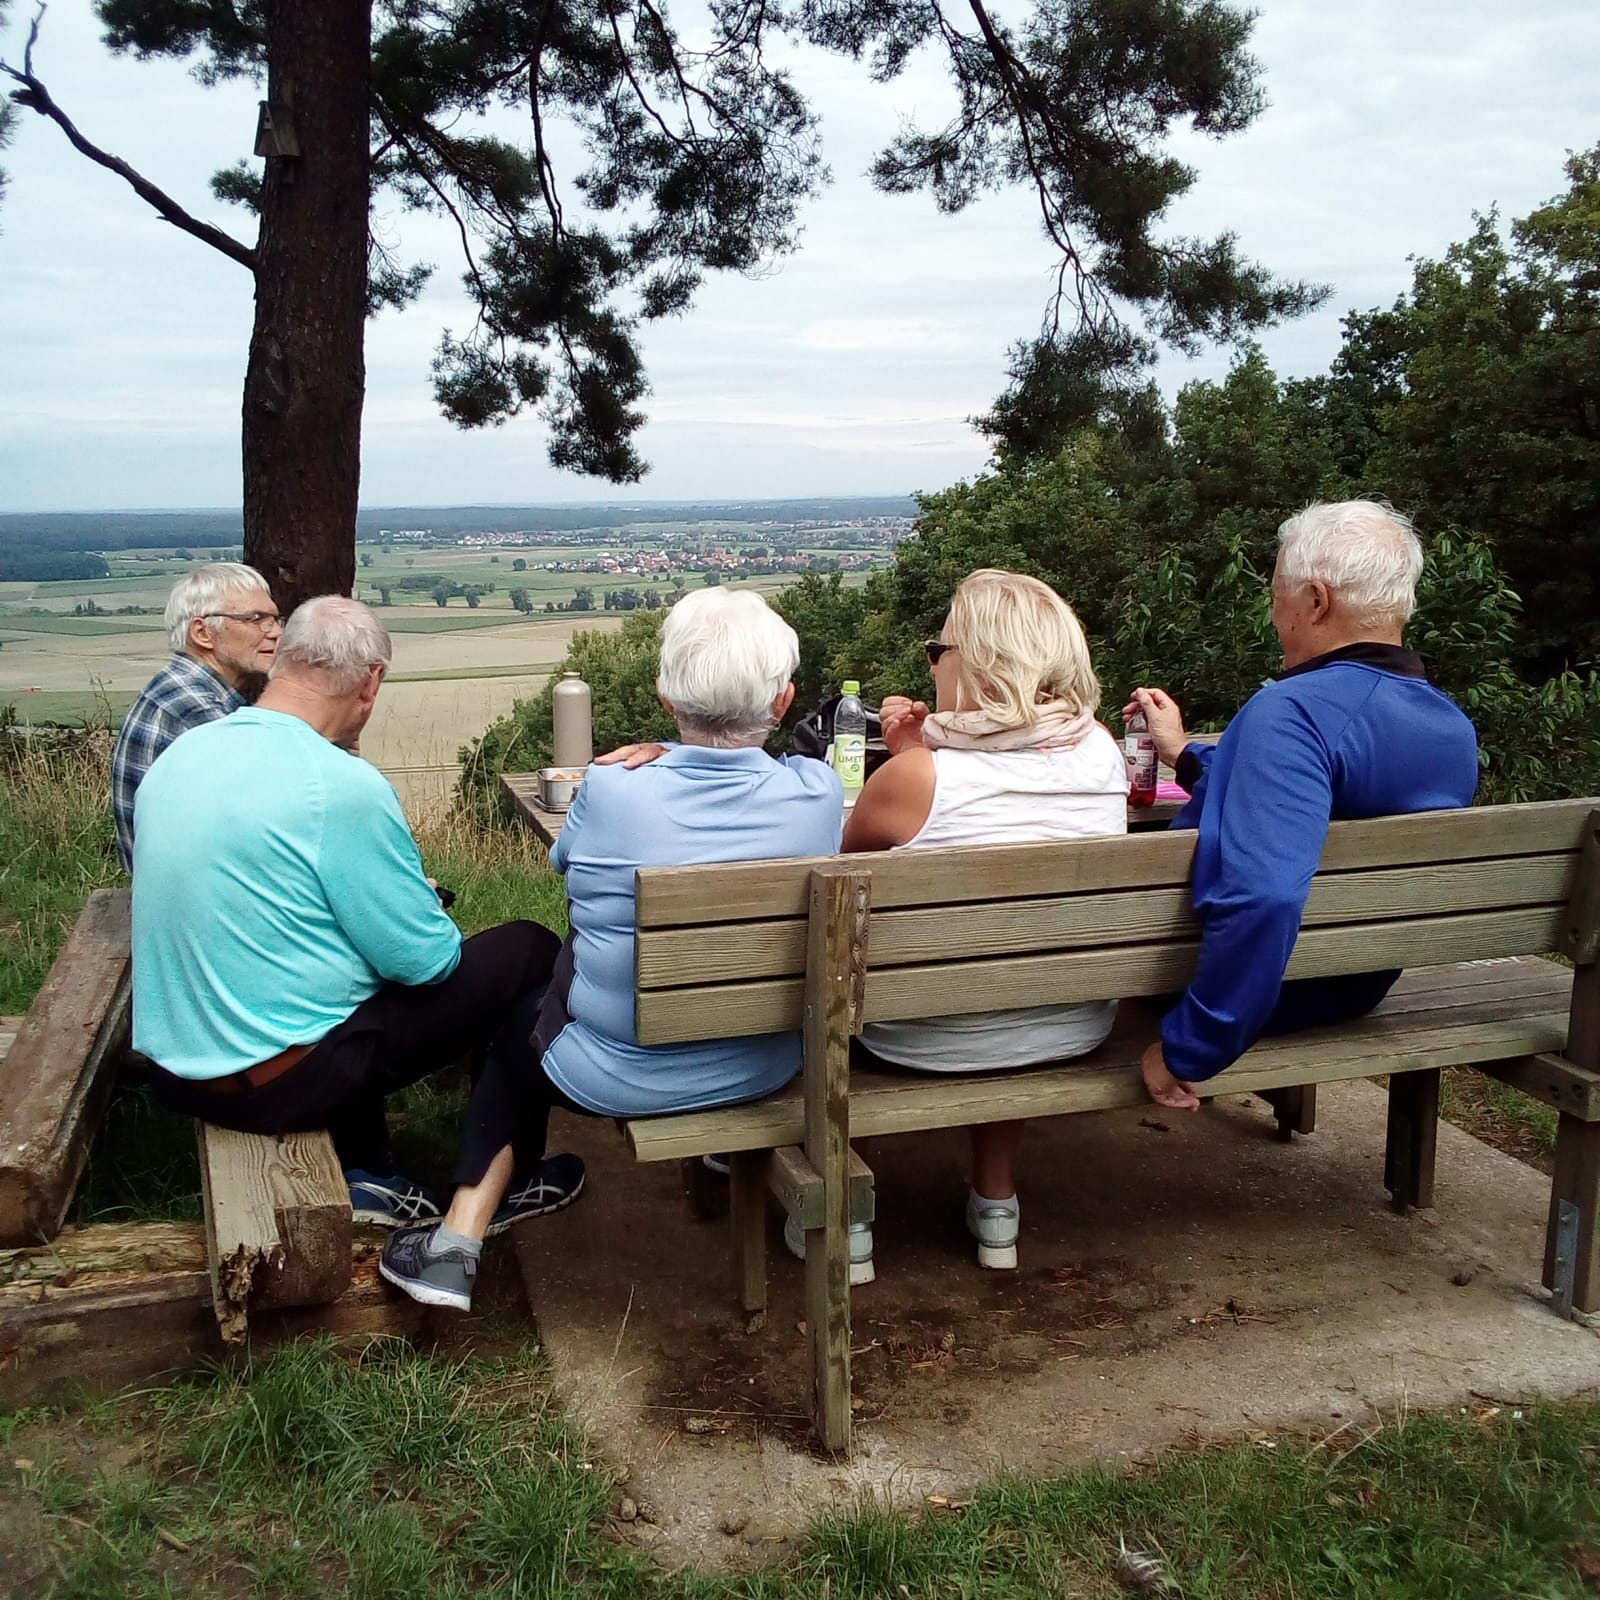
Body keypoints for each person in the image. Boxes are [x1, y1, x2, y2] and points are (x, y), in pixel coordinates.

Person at [380, 587, 843, 1311]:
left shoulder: (610, 788)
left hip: (616, 1079)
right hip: (766, 1063)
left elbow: (563, 864)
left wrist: (650, 764)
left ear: (664, 698)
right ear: (783, 702)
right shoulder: (817, 795)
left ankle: (456, 1241)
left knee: (518, 1021)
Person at [131, 595, 580, 1230]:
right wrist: (416, 907)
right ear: (371, 683)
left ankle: (374, 1172)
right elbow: (424, 963)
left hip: (177, 1070)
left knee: (339, 972)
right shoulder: (338, 782)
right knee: (530, 949)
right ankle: (503, 1184)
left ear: (281, 661)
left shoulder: (184, 756)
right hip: (276, 1084)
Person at [1127, 500, 1480, 1113]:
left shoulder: (1290, 712)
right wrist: (1185, 754)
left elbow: (1264, 895)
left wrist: (1192, 1046)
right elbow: (1305, 797)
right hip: (1358, 980)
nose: (1274, 616)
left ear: (1316, 601)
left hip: (1246, 990)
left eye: (1276, 597)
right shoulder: (1449, 726)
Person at [836, 569, 1129, 1273]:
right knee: (1011, 966)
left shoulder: (915, 780)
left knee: (841, 983)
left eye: (939, 649)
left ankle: (850, 1221)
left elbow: (843, 869)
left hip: (921, 1036)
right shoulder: (1104, 753)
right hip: (1071, 1019)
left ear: (977, 663)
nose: (931, 664)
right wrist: (923, 751)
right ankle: (997, 1204)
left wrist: (912, 756)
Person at [111, 563, 283, 869]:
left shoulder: (181, 685)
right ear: (202, 633)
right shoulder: (196, 708)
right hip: (187, 901)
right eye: (256, 620)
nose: (276, 633)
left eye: (275, 618)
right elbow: (276, 810)